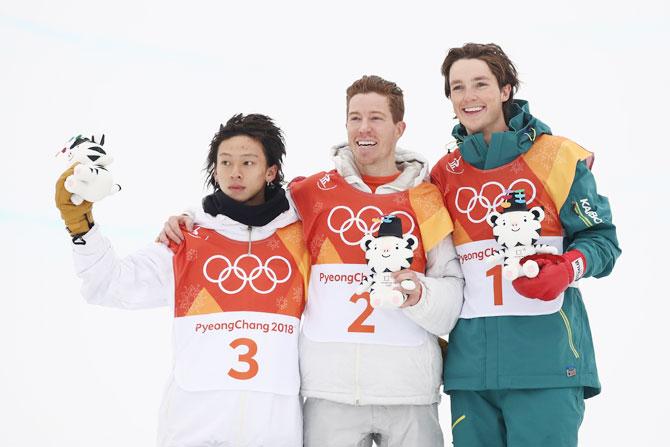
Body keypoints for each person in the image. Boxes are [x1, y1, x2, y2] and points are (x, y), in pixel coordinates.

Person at [162, 76, 465, 446]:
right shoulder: (310, 193)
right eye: (355, 118)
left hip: (408, 391)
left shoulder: (427, 198)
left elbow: (451, 298)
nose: (363, 128)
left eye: (376, 118)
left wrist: (420, 295)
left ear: (399, 127)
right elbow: (249, 210)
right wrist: (191, 217)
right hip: (328, 393)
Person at [55, 114, 308, 447]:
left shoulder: (302, 238)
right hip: (194, 429)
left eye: (248, 162)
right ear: (214, 170)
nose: (235, 172)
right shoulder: (188, 239)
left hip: (274, 432)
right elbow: (110, 284)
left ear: (271, 171)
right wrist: (80, 224)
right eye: (226, 162)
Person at [430, 43, 621, 447]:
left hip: (546, 366)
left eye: (480, 83)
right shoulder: (443, 174)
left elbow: (602, 240)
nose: (469, 96)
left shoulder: (556, 156)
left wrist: (568, 268)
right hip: (471, 373)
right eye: (457, 87)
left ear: (505, 89)